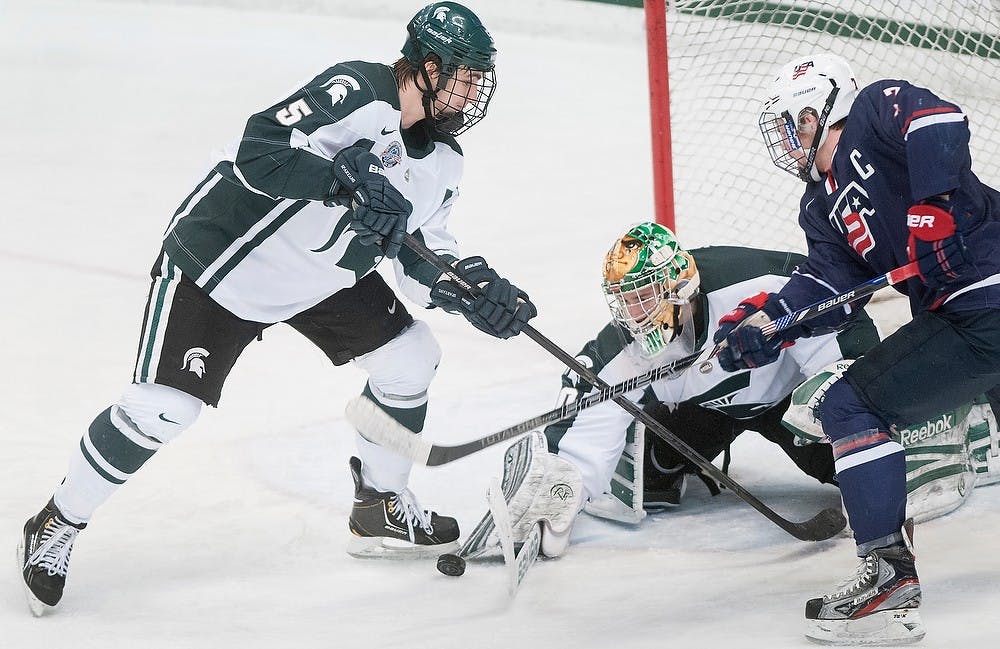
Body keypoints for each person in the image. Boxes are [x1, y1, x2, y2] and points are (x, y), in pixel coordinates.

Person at [18, 1, 536, 616]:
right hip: (226, 262)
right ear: (429, 66)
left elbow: (424, 253)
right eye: (467, 75)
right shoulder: (360, 92)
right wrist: (344, 177)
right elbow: (259, 147)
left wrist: (472, 289)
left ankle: (380, 505)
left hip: (316, 279)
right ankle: (58, 522)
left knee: (410, 356)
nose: (476, 91)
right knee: (163, 410)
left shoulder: (444, 162)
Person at [714, 53, 1000, 645]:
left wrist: (934, 208)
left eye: (792, 120)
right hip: (971, 316)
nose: (786, 139)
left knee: (849, 406)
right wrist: (770, 323)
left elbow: (938, 122)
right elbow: (828, 290)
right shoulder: (821, 208)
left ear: (823, 108)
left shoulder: (873, 107)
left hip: (985, 293)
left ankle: (889, 582)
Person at [463, 222, 879, 561]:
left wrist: (846, 391)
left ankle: (915, 449)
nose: (633, 314)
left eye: (643, 298)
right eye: (625, 301)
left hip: (789, 398)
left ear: (678, 286)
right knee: (648, 476)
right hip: (713, 409)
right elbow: (593, 414)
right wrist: (561, 486)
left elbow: (834, 305)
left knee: (855, 464)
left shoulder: (753, 280)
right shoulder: (629, 343)